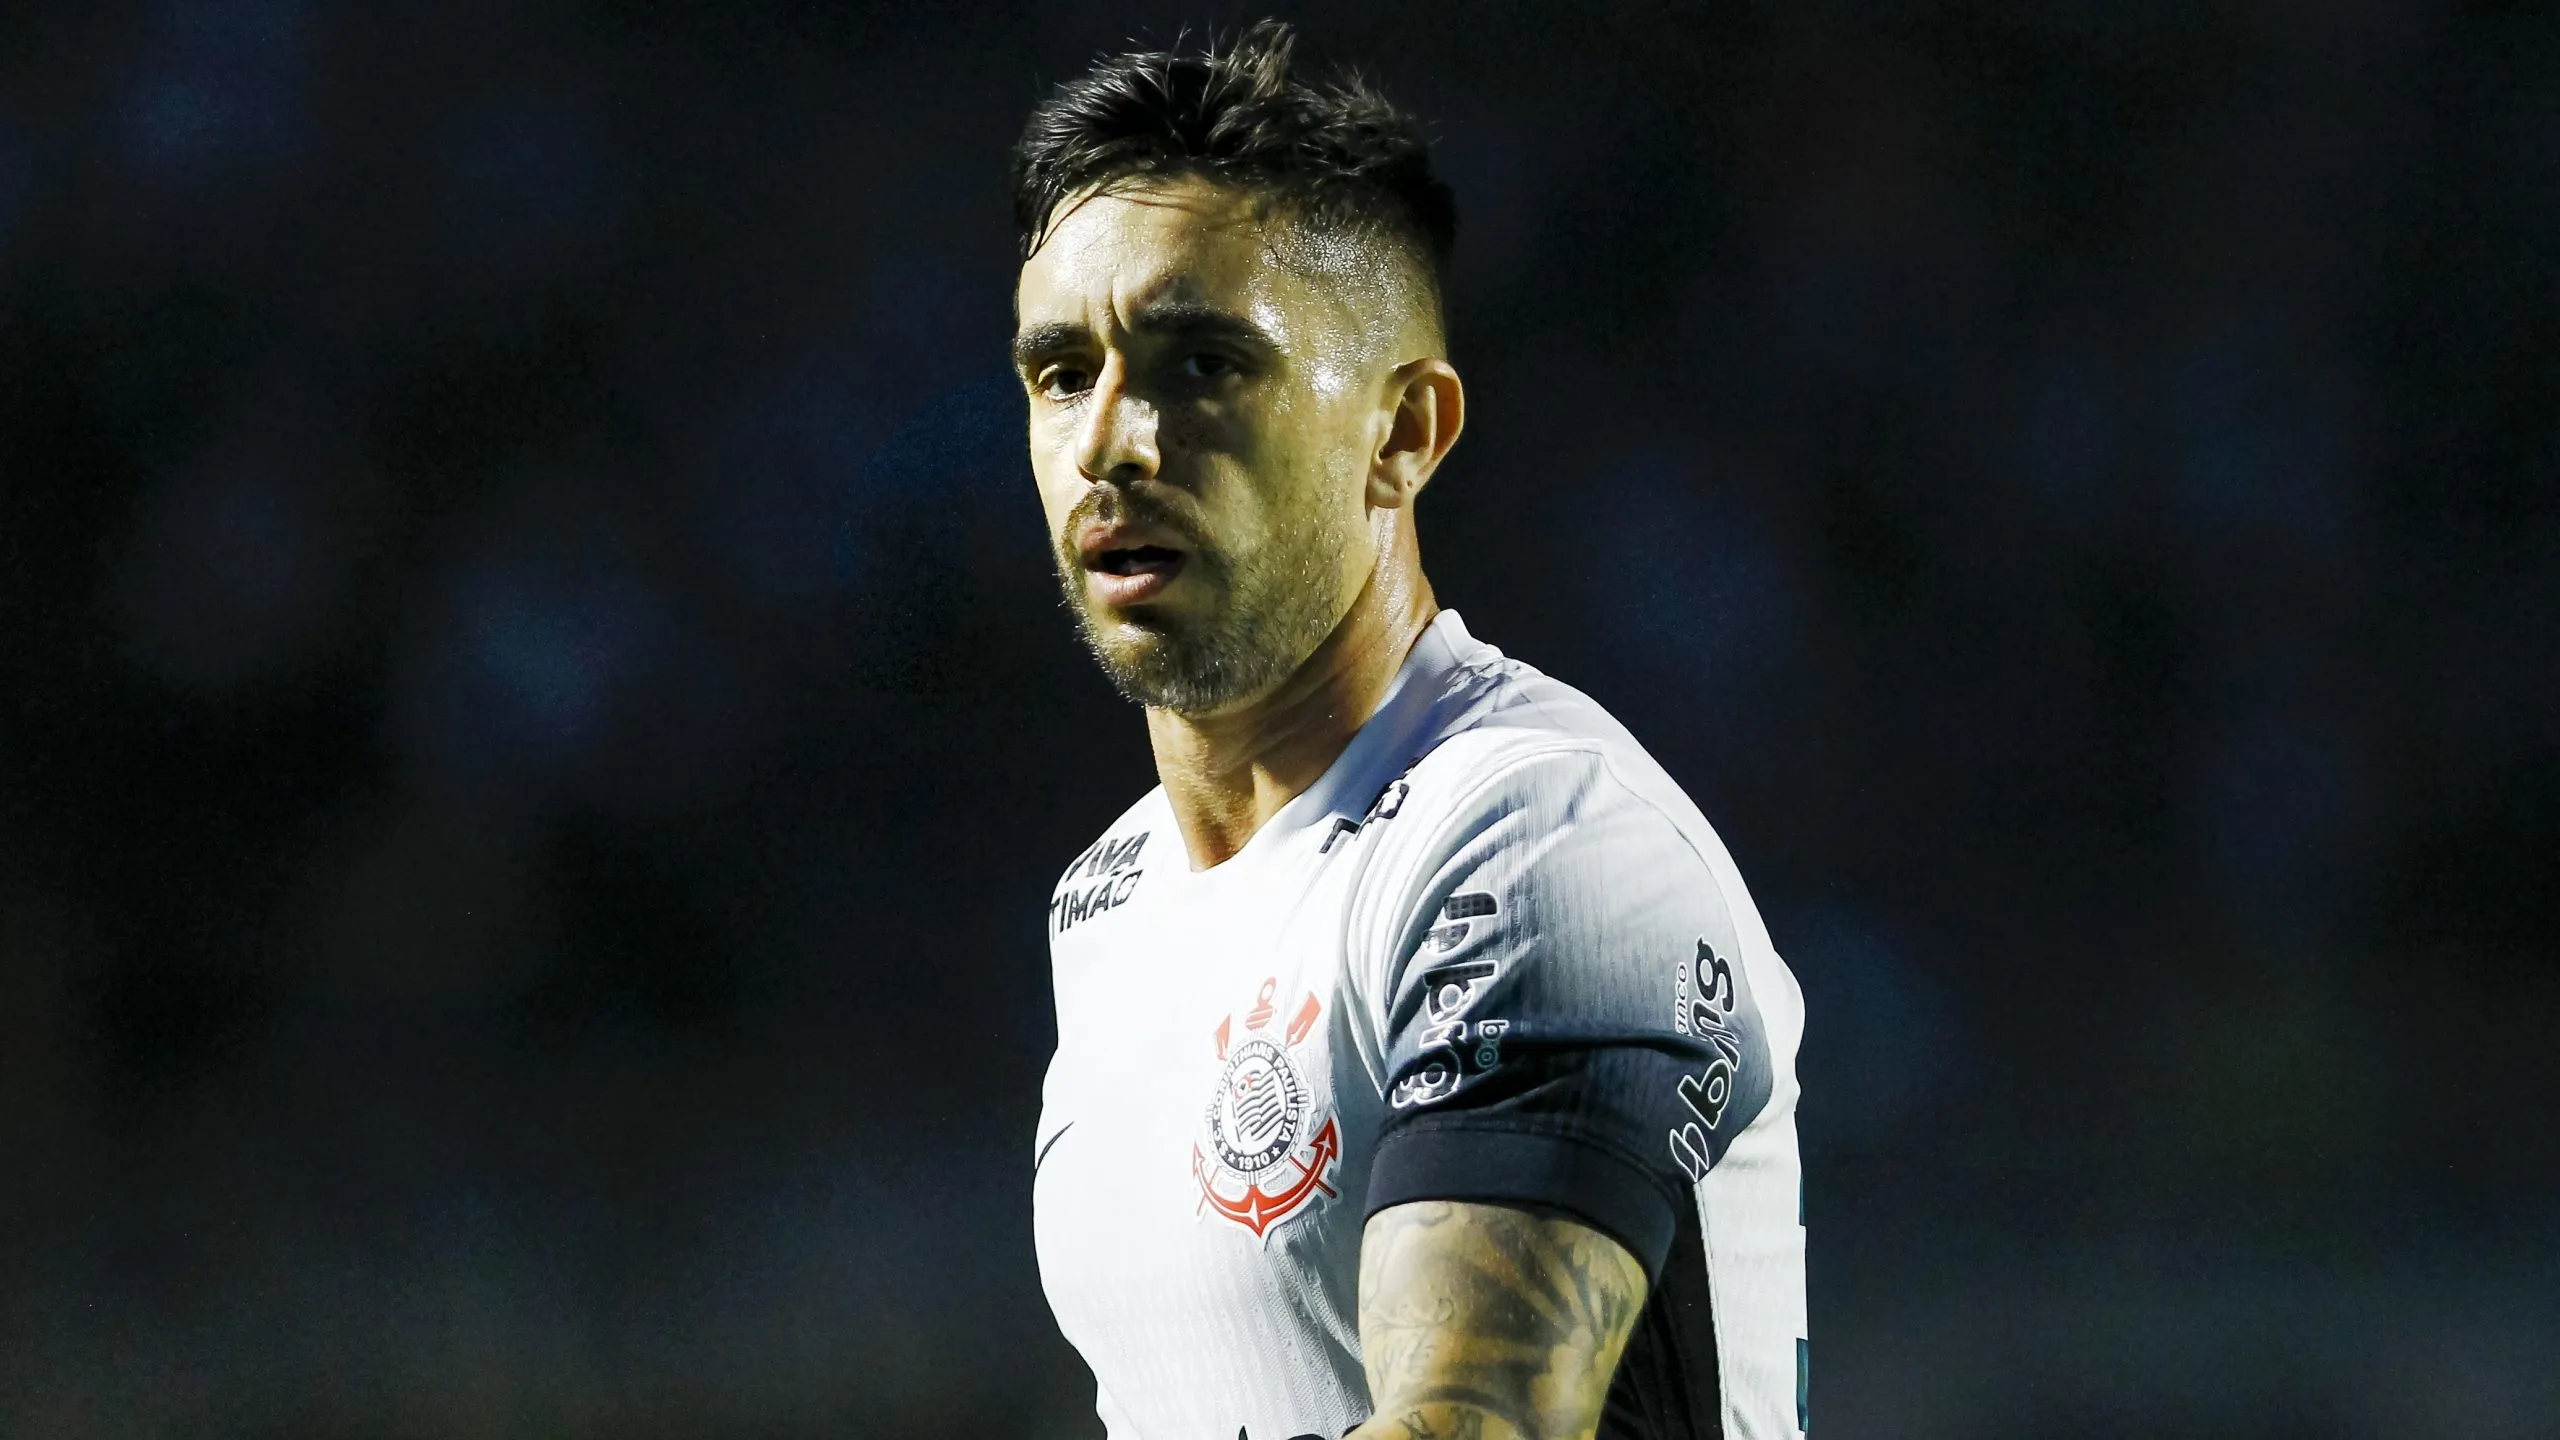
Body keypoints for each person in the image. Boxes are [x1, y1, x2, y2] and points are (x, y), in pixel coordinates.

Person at [1013, 22, 1805, 1440]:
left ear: (1406, 431)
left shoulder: (1535, 842)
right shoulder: (1109, 901)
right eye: (1064, 371)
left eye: (1203, 365)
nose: (1113, 439)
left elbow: (1480, 1418)